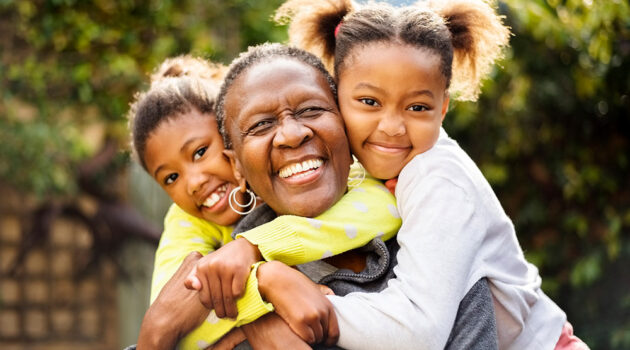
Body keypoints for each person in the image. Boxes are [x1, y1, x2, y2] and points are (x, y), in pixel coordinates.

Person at [276, 0, 589, 349]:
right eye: (369, 102)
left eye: (417, 108)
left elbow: (417, 332)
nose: (392, 127)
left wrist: (298, 304)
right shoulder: (351, 165)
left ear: (442, 108)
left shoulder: (437, 179)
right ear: (335, 92)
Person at [211, 42, 498, 349]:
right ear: (236, 166)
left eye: (311, 110)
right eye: (261, 124)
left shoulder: (431, 226)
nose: (293, 134)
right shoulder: (225, 290)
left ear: (346, 124)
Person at [127, 55, 402, 349]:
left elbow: (384, 208)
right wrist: (262, 291)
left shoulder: (343, 173)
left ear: (229, 137)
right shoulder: (187, 222)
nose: (193, 182)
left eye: (200, 152)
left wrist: (254, 247)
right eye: (170, 178)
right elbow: (172, 312)